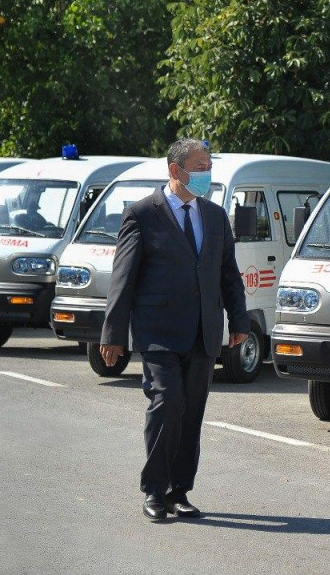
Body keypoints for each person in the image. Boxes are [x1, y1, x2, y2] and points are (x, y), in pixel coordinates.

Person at [99, 139, 249, 522]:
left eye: (208, 165)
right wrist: (112, 333)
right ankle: (154, 490)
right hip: (159, 332)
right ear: (174, 170)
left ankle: (179, 492)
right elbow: (124, 277)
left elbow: (228, 274)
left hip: (203, 331)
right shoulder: (142, 213)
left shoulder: (215, 216)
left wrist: (239, 322)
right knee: (167, 405)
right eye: (199, 166)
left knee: (191, 413)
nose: (206, 173)